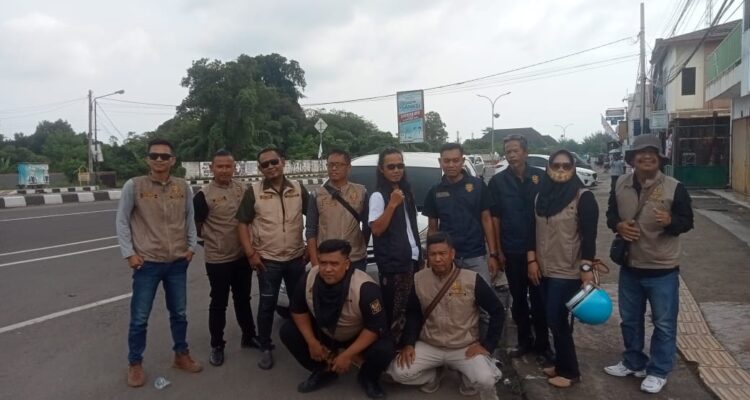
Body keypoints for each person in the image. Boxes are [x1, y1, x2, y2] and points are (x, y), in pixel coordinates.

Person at [604, 134, 694, 394]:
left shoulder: (675, 187)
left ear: (659, 159)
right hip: (630, 266)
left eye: (651, 153)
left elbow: (687, 221)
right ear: (632, 159)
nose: (646, 157)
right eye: (640, 153)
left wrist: (671, 221)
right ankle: (633, 362)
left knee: (664, 323)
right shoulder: (620, 183)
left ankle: (658, 370)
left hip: (662, 269)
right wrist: (618, 225)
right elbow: (611, 214)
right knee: (630, 320)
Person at [116, 138, 201, 388]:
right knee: (140, 317)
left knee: (180, 313)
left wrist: (191, 248)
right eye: (155, 156)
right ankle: (135, 363)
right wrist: (129, 254)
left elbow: (190, 218)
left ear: (173, 160)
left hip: (177, 262)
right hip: (147, 263)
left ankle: (181, 355)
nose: (159, 160)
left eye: (165, 156)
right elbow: (122, 221)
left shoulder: (182, 187)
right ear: (148, 160)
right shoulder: (134, 186)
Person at [388, 232, 504, 400]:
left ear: (452, 254)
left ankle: (467, 382)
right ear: (427, 256)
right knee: (397, 372)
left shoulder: (471, 279)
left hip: (464, 347)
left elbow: (497, 310)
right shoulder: (419, 279)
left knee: (486, 379)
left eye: (442, 253)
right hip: (430, 344)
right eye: (433, 254)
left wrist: (488, 345)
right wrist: (409, 344)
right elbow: (413, 313)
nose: (438, 259)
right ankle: (432, 376)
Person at [280, 239, 395, 399]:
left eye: (334, 264)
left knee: (384, 349)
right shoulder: (309, 277)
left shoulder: (365, 288)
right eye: (323, 263)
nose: (327, 269)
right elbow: (298, 310)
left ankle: (368, 377)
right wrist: (311, 341)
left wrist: (347, 355)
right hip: (325, 330)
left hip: (355, 334)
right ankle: (324, 370)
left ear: (347, 264)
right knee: (288, 331)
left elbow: (375, 328)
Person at [526, 150, 599, 388]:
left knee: (556, 319)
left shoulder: (583, 197)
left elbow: (589, 237)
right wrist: (532, 260)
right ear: (548, 168)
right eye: (555, 165)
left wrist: (586, 268)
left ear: (573, 169)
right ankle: (560, 364)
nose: (560, 170)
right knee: (551, 318)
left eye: (566, 166)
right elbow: (531, 230)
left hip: (567, 270)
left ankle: (570, 372)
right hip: (543, 268)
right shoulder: (540, 196)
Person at [236, 147, 309, 370]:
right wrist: (251, 253)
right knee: (267, 304)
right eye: (265, 164)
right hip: (268, 260)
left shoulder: (298, 188)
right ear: (260, 169)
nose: (270, 167)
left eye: (274, 162)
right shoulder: (254, 191)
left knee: (300, 303)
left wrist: (310, 247)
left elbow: (313, 218)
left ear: (283, 162)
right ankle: (266, 346)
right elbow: (242, 224)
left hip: (296, 257)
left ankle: (304, 340)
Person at [193, 149, 260, 367]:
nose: (224, 170)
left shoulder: (243, 189)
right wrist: (213, 241)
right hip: (218, 259)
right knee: (218, 302)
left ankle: (249, 336)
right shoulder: (203, 195)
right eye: (219, 166)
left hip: (242, 255)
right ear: (211, 168)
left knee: (243, 299)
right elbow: (197, 226)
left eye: (228, 166)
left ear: (234, 167)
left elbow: (251, 218)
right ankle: (217, 345)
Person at [487, 135, 551, 360]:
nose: (512, 155)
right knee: (519, 299)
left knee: (540, 299)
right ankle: (524, 341)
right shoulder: (498, 182)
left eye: (515, 150)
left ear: (525, 152)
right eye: (508, 151)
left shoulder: (541, 177)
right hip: (512, 249)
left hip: (540, 250)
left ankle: (543, 344)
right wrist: (497, 251)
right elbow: (495, 218)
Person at [423, 143, 500, 284]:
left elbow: (486, 220)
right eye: (446, 161)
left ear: (462, 161)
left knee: (483, 295)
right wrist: (431, 256)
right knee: (449, 296)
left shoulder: (478, 186)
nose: (451, 165)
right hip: (447, 258)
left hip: (476, 256)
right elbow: (432, 229)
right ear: (440, 162)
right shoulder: (434, 191)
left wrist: (493, 254)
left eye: (455, 160)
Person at [369, 148, 422, 345]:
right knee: (394, 313)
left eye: (400, 166)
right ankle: (391, 352)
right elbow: (376, 229)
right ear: (381, 169)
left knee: (411, 309)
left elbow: (411, 227)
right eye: (391, 166)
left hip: (412, 259)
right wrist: (392, 204)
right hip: (394, 264)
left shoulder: (406, 192)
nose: (396, 170)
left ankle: (408, 347)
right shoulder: (378, 196)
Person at [306, 149, 369, 271]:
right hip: (327, 259)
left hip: (355, 258)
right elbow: (310, 229)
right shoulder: (317, 195)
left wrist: (362, 247)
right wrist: (315, 261)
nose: (334, 168)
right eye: (330, 165)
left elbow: (367, 225)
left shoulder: (361, 192)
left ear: (348, 167)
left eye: (338, 165)